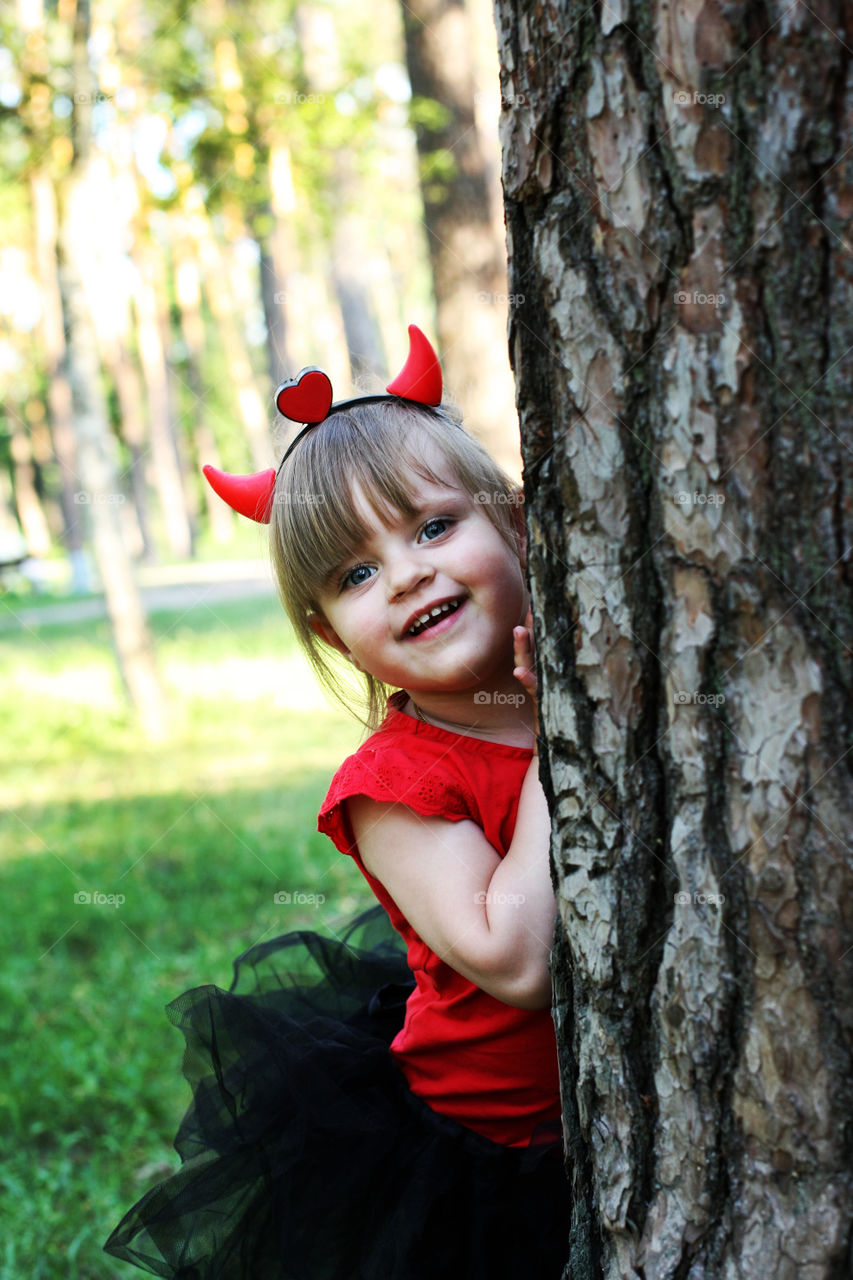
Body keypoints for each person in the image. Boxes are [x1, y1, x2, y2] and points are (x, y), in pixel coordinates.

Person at [104, 325, 571, 1279]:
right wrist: (564, 736)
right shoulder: (389, 785)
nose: (406, 575)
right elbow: (517, 960)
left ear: (519, 522)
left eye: (433, 526)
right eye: (356, 575)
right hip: (495, 1155)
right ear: (333, 635)